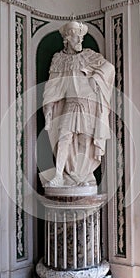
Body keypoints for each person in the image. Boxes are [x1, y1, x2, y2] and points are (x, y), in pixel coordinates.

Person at [42, 21, 115, 187]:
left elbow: (109, 68)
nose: (80, 41)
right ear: (67, 39)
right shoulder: (59, 59)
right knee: (63, 138)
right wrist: (48, 105)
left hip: (88, 105)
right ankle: (60, 175)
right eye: (76, 38)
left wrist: (95, 78)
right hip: (70, 104)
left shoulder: (88, 55)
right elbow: (52, 84)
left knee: (84, 141)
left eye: (82, 38)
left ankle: (83, 176)